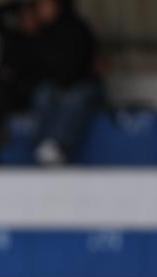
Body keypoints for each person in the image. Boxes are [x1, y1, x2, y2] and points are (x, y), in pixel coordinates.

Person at [30, 0, 104, 165]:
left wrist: (66, 85)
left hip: (82, 85)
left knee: (75, 99)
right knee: (43, 94)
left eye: (45, 5)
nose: (41, 10)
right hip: (56, 86)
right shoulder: (43, 33)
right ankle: (42, 144)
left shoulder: (78, 29)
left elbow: (86, 65)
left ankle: (56, 145)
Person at [0, 0, 41, 166]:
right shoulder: (12, 37)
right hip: (6, 94)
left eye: (31, 16)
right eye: (23, 17)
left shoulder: (46, 39)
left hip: (31, 93)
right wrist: (21, 5)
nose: (27, 21)